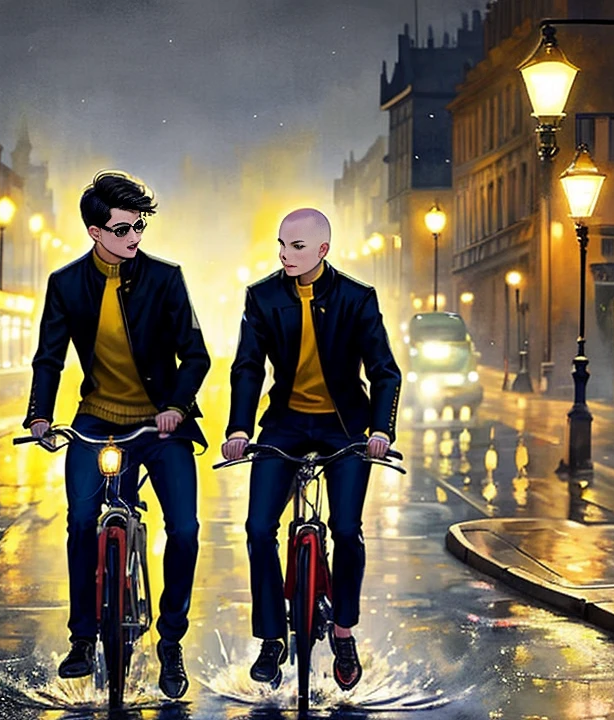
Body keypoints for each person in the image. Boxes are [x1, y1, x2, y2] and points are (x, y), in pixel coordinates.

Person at [24, 171, 210, 699]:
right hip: (95, 419)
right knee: (82, 519)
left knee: (187, 528)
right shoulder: (66, 284)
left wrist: (177, 405)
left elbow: (196, 355)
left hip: (160, 423)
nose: (134, 238)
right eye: (123, 228)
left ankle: (171, 640)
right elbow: (49, 359)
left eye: (139, 227)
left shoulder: (166, 279)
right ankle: (83, 640)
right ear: (95, 232)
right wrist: (40, 415)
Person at [222, 208, 402, 691]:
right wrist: (239, 428)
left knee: (346, 528)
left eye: (297, 246)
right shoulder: (262, 297)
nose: (285, 254)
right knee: (259, 527)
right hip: (284, 424)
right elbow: (247, 368)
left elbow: (385, 371)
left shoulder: (356, 299)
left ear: (323, 250)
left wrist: (380, 431)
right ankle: (271, 638)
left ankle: (343, 631)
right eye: (281, 244)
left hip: (344, 428)